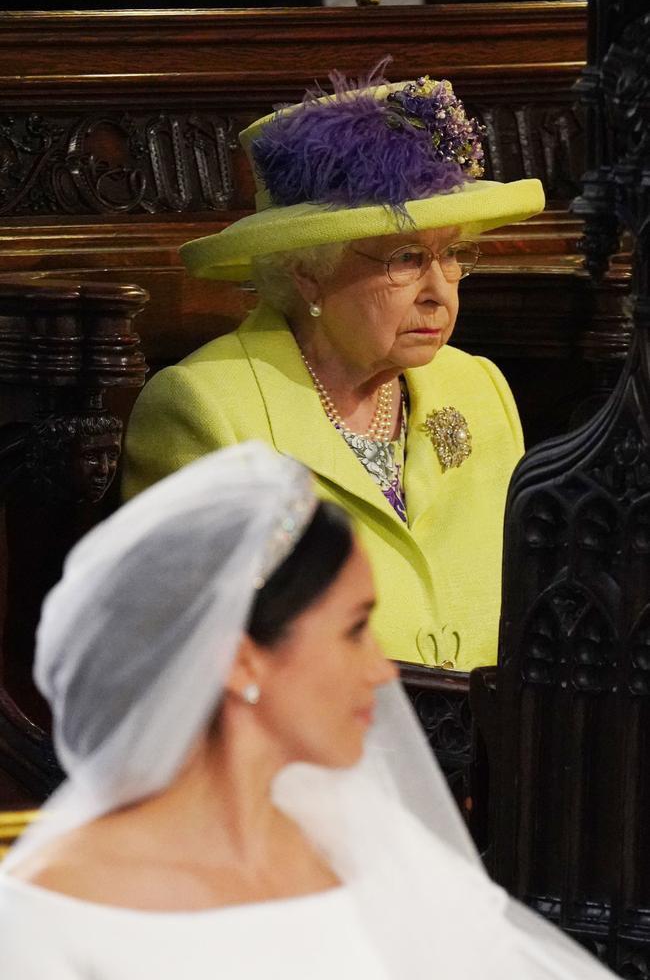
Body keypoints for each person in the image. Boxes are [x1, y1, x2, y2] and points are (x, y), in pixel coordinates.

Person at [0, 443, 613, 978]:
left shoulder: (362, 843)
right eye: (354, 630)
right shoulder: (45, 914)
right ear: (242, 660)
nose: (383, 670)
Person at [123, 65, 546, 670]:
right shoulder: (204, 410)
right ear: (307, 272)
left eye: (452, 254)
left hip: (495, 752)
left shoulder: (477, 388)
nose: (440, 291)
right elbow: (187, 661)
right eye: (406, 258)